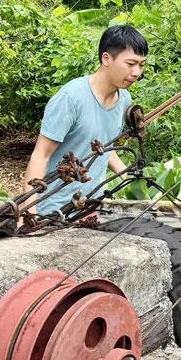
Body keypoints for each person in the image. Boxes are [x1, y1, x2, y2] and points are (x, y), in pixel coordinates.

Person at [21, 25, 148, 223]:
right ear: (106, 59)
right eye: (131, 64)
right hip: (54, 210)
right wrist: (27, 215)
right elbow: (41, 155)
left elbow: (105, 146)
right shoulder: (71, 98)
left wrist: (128, 177)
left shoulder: (124, 98)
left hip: (91, 206)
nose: (137, 72)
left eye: (141, 65)